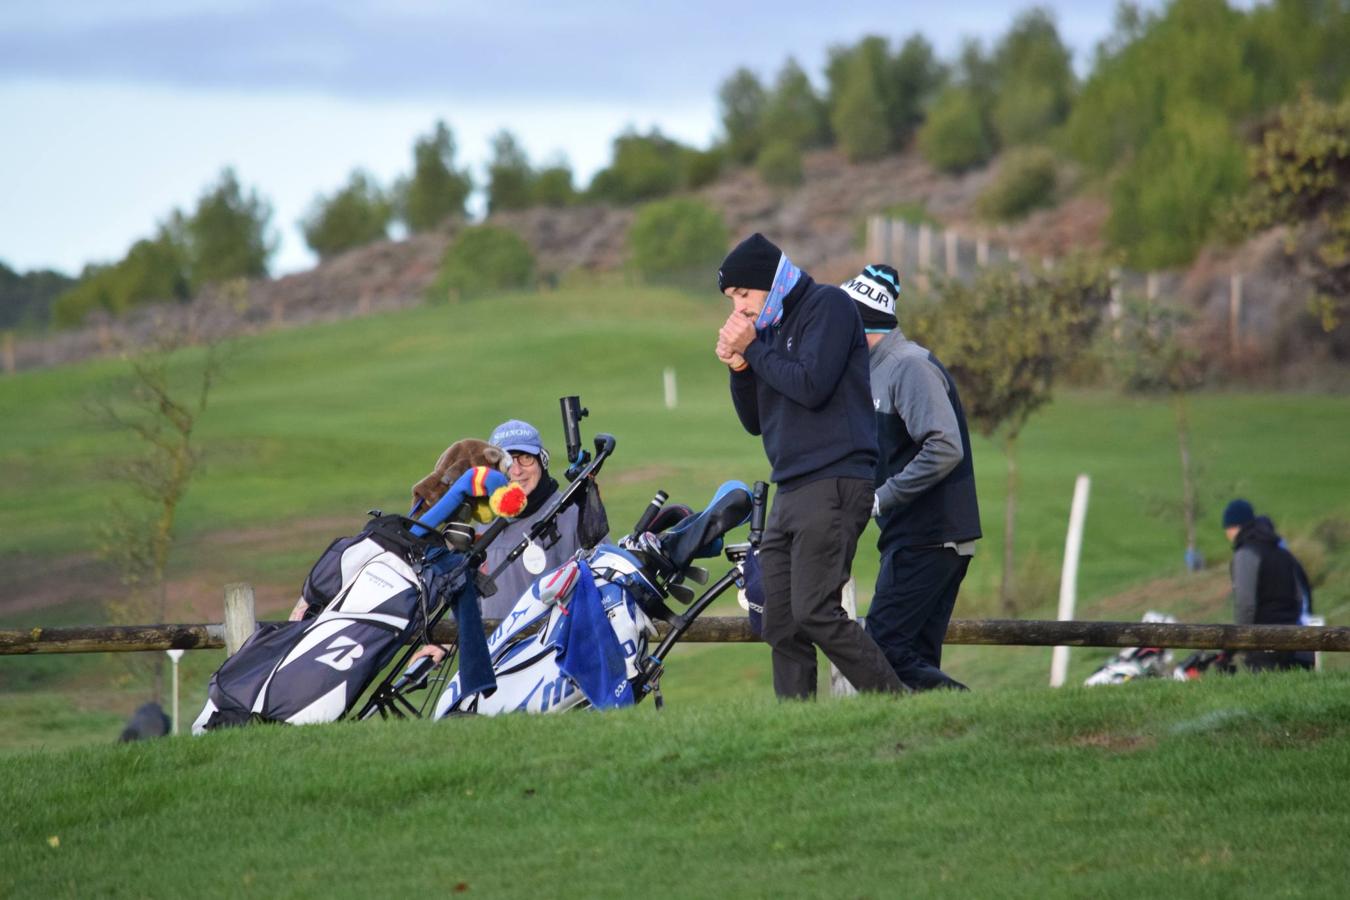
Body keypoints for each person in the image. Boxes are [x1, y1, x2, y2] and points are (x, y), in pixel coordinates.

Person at [715, 233, 904, 699]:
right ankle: (798, 730)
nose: (738, 307)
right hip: (792, 487)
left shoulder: (829, 307)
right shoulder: (771, 328)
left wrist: (754, 349)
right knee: (778, 620)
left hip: (836, 478)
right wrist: (741, 367)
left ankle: (895, 702)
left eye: (742, 293)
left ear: (769, 281)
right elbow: (755, 422)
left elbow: (812, 385)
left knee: (815, 610)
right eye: (731, 299)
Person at [842, 263, 982, 692]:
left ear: (860, 324)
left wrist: (881, 499)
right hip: (918, 537)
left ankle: (979, 713)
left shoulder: (909, 367)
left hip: (930, 536)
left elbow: (944, 447)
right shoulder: (874, 370)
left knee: (883, 653)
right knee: (915, 658)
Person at [477, 418, 608, 620]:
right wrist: (442, 643)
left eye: (526, 458)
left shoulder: (574, 513)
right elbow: (472, 596)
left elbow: (607, 582)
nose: (517, 470)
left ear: (542, 461)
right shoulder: (484, 519)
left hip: (554, 650)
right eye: (507, 462)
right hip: (493, 651)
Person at [1222, 499, 1314, 672]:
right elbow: (1301, 597)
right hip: (1296, 641)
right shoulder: (1283, 553)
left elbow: (1245, 603)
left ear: (1235, 526)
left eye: (1227, 528)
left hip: (1263, 642)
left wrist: (1242, 639)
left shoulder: (1246, 554)